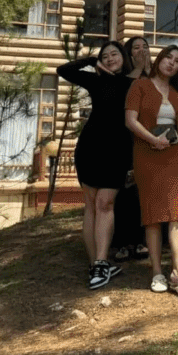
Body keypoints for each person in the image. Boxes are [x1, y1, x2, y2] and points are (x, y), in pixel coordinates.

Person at [58, 41, 134, 290]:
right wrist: (91, 61)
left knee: (106, 203)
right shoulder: (96, 81)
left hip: (118, 150)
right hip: (90, 148)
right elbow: (64, 70)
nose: (110, 58)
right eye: (105, 55)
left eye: (115, 54)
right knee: (91, 205)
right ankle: (97, 264)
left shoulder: (133, 84)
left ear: (123, 58)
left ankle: (101, 261)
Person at [124, 44, 178, 298]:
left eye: (177, 61)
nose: (172, 63)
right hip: (147, 155)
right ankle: (157, 272)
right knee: (153, 215)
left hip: (175, 155)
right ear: (159, 60)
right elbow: (130, 120)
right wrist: (152, 140)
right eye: (168, 57)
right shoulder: (140, 86)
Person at [110, 36, 153, 264]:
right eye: (136, 48)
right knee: (125, 193)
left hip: (151, 141)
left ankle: (142, 239)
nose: (141, 51)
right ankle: (122, 242)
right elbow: (124, 99)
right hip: (125, 141)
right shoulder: (121, 77)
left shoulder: (156, 76)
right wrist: (138, 70)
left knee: (145, 192)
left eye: (145, 47)